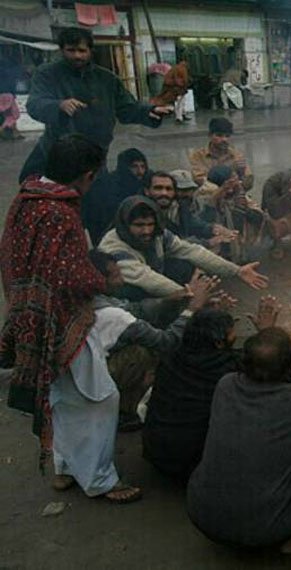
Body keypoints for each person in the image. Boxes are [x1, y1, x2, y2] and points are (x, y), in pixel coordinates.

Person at [49, 250, 215, 502]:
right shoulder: (112, 316)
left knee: (67, 415)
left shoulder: (69, 300)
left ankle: (64, 471)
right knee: (101, 413)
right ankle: (101, 482)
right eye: (114, 276)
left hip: (62, 374)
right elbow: (166, 341)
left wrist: (178, 297)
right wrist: (192, 308)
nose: (121, 280)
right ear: (95, 280)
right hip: (92, 378)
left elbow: (137, 308)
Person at [0, 134, 107, 468]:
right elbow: (72, 277)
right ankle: (98, 477)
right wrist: (106, 280)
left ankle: (62, 465)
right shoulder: (60, 212)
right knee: (101, 397)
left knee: (59, 395)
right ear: (88, 175)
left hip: (24, 309)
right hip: (60, 319)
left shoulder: (27, 197)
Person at [187, 327, 291, 549]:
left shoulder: (225, 384)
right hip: (270, 528)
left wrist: (285, 357)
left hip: (202, 515)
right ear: (289, 366)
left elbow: (268, 378)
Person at [143, 296, 278, 482]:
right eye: (231, 333)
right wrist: (267, 333)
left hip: (158, 454)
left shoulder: (171, 357)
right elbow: (275, 372)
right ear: (218, 343)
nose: (235, 335)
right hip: (197, 465)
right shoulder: (230, 369)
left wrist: (214, 318)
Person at [20, 27, 170, 182]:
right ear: (62, 50)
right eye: (71, 50)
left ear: (91, 50)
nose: (77, 55)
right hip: (57, 155)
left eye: (81, 50)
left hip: (96, 156)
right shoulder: (48, 74)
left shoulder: (107, 79)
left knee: (97, 200)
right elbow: (35, 104)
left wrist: (149, 111)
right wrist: (58, 105)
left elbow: (127, 108)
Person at [97, 196, 268, 300]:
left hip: (155, 281)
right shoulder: (113, 247)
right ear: (125, 225)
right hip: (124, 300)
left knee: (186, 264)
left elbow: (191, 251)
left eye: (150, 224)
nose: (146, 231)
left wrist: (236, 271)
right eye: (139, 225)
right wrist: (191, 296)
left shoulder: (159, 234)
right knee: (133, 292)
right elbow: (146, 278)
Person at [199, 165, 268, 263]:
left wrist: (243, 209)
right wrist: (217, 197)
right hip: (213, 246)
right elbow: (203, 221)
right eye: (230, 182)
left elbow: (259, 217)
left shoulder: (238, 194)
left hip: (238, 245)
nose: (235, 184)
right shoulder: (204, 196)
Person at [81, 148, 148, 245]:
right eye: (134, 167)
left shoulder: (144, 186)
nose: (140, 171)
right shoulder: (105, 186)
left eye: (143, 166)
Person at [189, 117, 254, 190]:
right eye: (219, 135)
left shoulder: (236, 155)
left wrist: (242, 174)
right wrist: (230, 171)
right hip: (208, 196)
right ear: (210, 135)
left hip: (233, 195)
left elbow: (248, 184)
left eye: (227, 136)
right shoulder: (198, 156)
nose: (224, 139)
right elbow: (199, 181)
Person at [150, 59, 190, 123]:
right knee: (180, 101)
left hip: (173, 87)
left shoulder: (175, 68)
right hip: (176, 88)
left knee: (181, 101)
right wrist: (184, 85)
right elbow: (179, 80)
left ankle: (182, 114)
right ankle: (179, 117)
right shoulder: (181, 69)